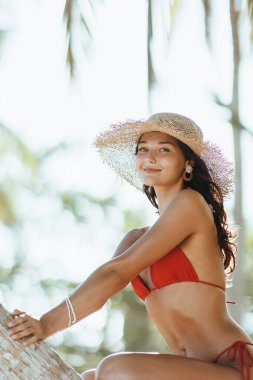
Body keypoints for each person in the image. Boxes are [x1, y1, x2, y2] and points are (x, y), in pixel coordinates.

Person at [8, 113, 253, 379]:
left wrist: (45, 324)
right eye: (143, 149)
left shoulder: (191, 203)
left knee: (114, 370)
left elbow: (118, 271)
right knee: (90, 377)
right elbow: (107, 283)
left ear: (188, 163)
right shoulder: (136, 238)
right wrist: (42, 326)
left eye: (164, 149)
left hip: (233, 367)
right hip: (193, 368)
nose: (150, 157)